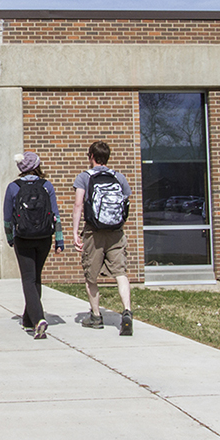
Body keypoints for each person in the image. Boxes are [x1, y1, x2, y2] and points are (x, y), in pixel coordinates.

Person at [72, 141, 134, 336]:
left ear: (91, 156)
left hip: (94, 232)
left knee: (91, 275)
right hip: (116, 232)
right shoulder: (119, 177)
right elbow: (126, 202)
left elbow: (78, 205)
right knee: (121, 273)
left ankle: (96, 316)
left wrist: (75, 232)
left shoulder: (84, 177)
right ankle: (127, 311)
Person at [3, 152, 64, 340]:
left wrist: (10, 237)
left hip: (23, 237)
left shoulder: (13, 187)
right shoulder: (46, 186)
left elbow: (7, 217)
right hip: (44, 237)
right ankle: (28, 318)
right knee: (36, 277)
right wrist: (59, 240)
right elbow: (55, 215)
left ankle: (38, 319)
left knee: (28, 279)